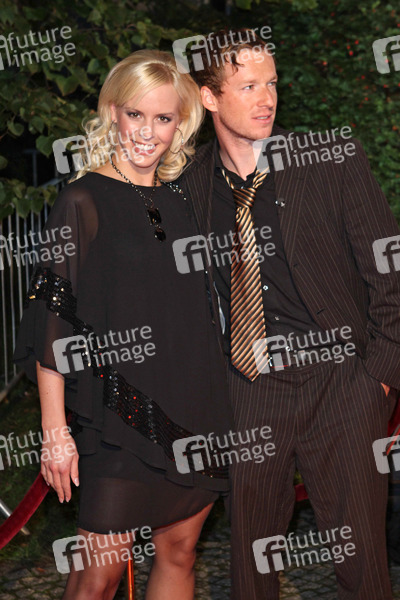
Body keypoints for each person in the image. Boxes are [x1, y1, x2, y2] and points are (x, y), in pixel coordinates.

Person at [180, 28, 400, 599]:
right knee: (251, 564)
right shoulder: (190, 184)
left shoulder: (329, 159)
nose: (267, 98)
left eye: (272, 83)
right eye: (248, 86)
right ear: (209, 97)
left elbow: (389, 273)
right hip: (248, 390)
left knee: (362, 563)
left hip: (341, 384)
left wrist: (377, 381)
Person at [14, 49, 233, 600]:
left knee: (179, 553)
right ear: (112, 112)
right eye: (135, 114)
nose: (147, 132)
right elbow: (53, 324)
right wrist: (55, 432)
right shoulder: (83, 199)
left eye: (163, 118)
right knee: (98, 576)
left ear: (181, 124)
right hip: (116, 418)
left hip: (198, 407)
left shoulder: (188, 199)